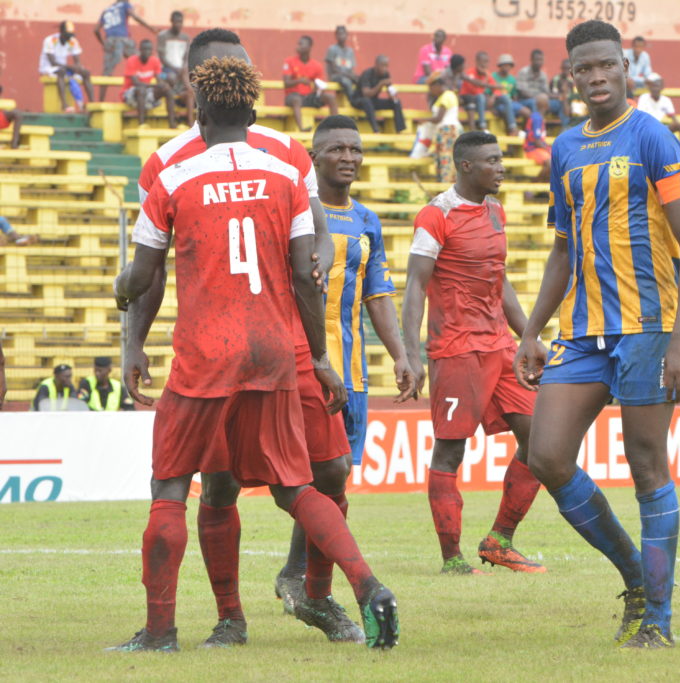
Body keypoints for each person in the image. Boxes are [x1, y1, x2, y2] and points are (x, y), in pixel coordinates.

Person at [107, 54, 398, 653]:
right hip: (272, 348)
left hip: (205, 353)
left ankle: (160, 632)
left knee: (171, 486)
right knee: (296, 485)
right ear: (254, 114)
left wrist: (121, 288)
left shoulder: (173, 178)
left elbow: (143, 274)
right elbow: (307, 276)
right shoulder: (286, 176)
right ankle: (369, 587)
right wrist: (318, 357)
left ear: (199, 114)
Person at [514, 20, 680, 649]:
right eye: (584, 69)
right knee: (546, 456)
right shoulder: (566, 148)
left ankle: (658, 620)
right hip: (583, 331)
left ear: (625, 68)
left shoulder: (652, 136)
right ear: (571, 76)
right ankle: (635, 578)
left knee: (646, 464)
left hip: (648, 327)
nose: (596, 77)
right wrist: (531, 331)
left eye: (606, 65)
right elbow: (561, 249)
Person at [275, 115, 417, 610]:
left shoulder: (366, 220)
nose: (349, 158)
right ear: (313, 157)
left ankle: (298, 576)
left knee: (333, 479)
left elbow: (378, 294)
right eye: (337, 149)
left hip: (350, 372)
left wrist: (401, 355)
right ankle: (305, 581)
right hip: (304, 366)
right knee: (320, 476)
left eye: (355, 149)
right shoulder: (295, 211)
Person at [402, 131, 546, 576]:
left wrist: (529, 336)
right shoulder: (436, 215)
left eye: (501, 159)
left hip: (501, 346)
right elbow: (415, 286)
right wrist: (411, 354)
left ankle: (499, 540)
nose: (501, 168)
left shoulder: (495, 211)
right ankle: (452, 558)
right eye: (492, 161)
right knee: (450, 452)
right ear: (466, 166)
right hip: (456, 349)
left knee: (542, 441)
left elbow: (499, 279)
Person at [93, 0, 156, 101]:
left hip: (110, 41)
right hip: (123, 39)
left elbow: (96, 30)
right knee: (143, 61)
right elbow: (135, 17)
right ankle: (150, 93)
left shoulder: (107, 10)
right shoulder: (125, 4)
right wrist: (151, 28)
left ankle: (100, 102)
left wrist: (103, 43)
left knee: (106, 73)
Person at [411, 72, 462, 183]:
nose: (430, 91)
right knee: (442, 161)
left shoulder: (447, 96)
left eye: (431, 88)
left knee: (446, 162)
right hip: (444, 132)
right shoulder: (444, 96)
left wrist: (425, 120)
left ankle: (446, 185)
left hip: (448, 132)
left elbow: (439, 118)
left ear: (437, 85)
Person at [283, 35, 338, 133]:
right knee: (296, 100)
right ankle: (301, 128)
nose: (298, 46)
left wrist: (318, 88)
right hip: (292, 96)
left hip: (308, 97)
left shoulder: (317, 65)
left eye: (301, 44)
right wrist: (300, 81)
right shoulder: (289, 61)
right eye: (298, 44)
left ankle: (336, 127)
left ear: (309, 47)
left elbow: (319, 83)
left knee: (330, 97)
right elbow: (286, 83)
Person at [39, 21, 95, 113]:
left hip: (63, 67)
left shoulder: (72, 41)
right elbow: (53, 62)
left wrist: (78, 68)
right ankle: (64, 105)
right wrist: (70, 67)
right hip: (48, 68)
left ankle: (92, 104)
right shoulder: (50, 40)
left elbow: (77, 61)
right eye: (67, 35)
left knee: (86, 73)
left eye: (70, 35)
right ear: (61, 32)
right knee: (62, 72)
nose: (69, 38)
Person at [121, 39, 175, 127]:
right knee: (141, 90)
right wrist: (155, 85)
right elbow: (136, 83)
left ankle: (172, 124)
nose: (147, 51)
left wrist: (163, 85)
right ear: (140, 50)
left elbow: (159, 79)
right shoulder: (132, 60)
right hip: (130, 94)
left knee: (167, 90)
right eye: (144, 49)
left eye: (149, 49)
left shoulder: (155, 61)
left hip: (146, 93)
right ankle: (141, 124)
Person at [156, 10, 193, 126]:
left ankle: (190, 122)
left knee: (191, 87)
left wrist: (183, 68)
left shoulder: (185, 38)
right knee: (171, 77)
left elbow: (186, 57)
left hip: (181, 72)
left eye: (180, 22)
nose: (178, 24)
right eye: (176, 22)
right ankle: (172, 119)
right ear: (171, 21)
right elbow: (162, 58)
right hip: (165, 71)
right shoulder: (163, 36)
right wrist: (175, 69)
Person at [356, 55, 407, 134]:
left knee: (396, 102)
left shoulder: (386, 74)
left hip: (373, 101)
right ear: (376, 65)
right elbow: (366, 94)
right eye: (383, 66)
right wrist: (380, 84)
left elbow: (390, 91)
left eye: (386, 66)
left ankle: (400, 130)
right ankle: (376, 130)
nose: (385, 68)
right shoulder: (367, 73)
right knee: (367, 101)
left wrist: (392, 96)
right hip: (359, 100)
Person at [516, 49, 568, 127]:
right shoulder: (524, 72)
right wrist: (540, 98)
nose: (539, 62)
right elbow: (523, 92)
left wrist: (558, 96)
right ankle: (537, 129)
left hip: (542, 100)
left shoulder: (543, 75)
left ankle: (565, 128)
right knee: (535, 102)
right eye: (537, 59)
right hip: (526, 101)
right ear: (531, 60)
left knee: (559, 103)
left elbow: (546, 92)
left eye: (541, 60)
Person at [636, 73, 680, 150]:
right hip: (646, 128)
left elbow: (673, 117)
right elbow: (641, 117)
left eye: (657, 86)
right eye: (653, 86)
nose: (655, 89)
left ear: (661, 87)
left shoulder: (666, 100)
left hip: (661, 127)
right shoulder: (644, 98)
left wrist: (675, 124)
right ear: (650, 88)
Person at [460, 51, 501, 132]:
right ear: (477, 61)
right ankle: (482, 125)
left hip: (481, 103)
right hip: (468, 102)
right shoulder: (470, 73)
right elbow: (475, 91)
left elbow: (497, 89)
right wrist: (486, 81)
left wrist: (493, 97)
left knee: (504, 99)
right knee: (481, 96)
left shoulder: (487, 74)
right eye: (483, 61)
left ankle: (512, 126)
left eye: (487, 62)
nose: (485, 64)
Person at [325, 25, 359, 106]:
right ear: (336, 36)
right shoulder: (332, 49)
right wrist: (348, 75)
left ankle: (360, 102)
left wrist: (354, 77)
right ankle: (353, 102)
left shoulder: (350, 51)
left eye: (343, 34)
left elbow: (351, 69)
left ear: (347, 35)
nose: (341, 36)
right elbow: (333, 69)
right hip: (336, 76)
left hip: (348, 76)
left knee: (360, 81)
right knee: (346, 81)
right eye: (339, 34)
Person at [523, 93, 551, 182]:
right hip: (532, 150)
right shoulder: (537, 118)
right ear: (546, 105)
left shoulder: (538, 117)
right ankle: (535, 182)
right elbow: (537, 141)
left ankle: (545, 185)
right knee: (550, 163)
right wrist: (549, 149)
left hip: (538, 149)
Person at [492, 53, 522, 134]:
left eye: (509, 65)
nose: (507, 67)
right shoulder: (493, 77)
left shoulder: (512, 79)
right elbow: (488, 94)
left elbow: (514, 96)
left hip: (510, 103)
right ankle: (512, 129)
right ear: (500, 65)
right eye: (505, 65)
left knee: (526, 111)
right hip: (498, 103)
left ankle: (526, 132)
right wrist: (491, 108)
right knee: (505, 107)